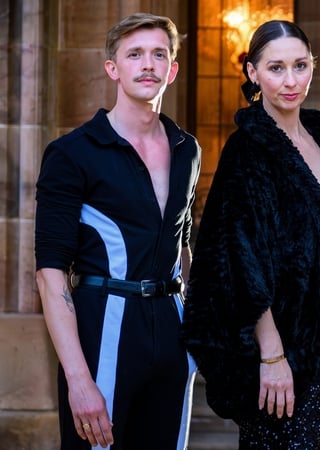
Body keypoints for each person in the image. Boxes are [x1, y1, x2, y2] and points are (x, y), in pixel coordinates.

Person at [179, 19, 320, 449]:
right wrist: (271, 356)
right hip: (282, 346)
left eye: (300, 66)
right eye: (276, 68)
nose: (290, 81)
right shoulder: (246, 150)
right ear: (253, 73)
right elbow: (240, 260)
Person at [34, 12, 200, 450]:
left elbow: (184, 243)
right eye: (135, 54)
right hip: (103, 328)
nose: (148, 64)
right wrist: (78, 380)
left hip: (171, 331)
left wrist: (197, 334)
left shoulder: (188, 149)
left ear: (172, 69)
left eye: (158, 54)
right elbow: (50, 276)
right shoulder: (72, 153)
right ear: (113, 68)